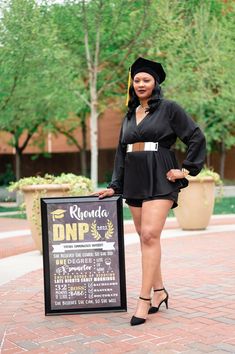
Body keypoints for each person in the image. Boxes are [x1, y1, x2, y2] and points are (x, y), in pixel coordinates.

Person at [96, 57, 206, 326]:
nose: (141, 84)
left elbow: (195, 136)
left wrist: (186, 169)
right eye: (137, 80)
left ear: (155, 83)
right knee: (146, 239)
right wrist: (115, 186)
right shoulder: (129, 115)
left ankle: (143, 299)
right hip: (134, 178)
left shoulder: (169, 109)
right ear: (132, 85)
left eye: (146, 79)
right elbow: (122, 152)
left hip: (160, 175)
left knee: (149, 234)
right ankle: (159, 291)